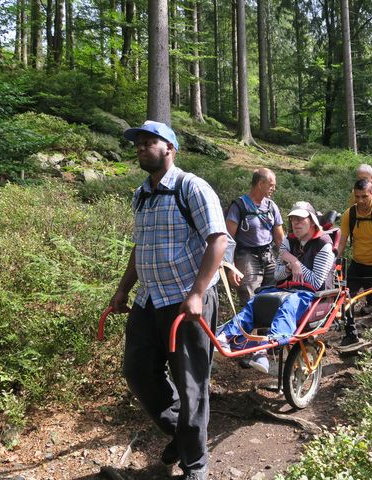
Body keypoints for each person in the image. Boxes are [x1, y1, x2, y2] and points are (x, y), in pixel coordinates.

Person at [109, 120, 227, 480]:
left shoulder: (192, 187)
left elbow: (218, 240)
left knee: (191, 385)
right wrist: (123, 289)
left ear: (169, 149)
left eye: (149, 142)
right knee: (137, 371)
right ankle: (181, 433)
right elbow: (139, 247)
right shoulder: (141, 194)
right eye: (138, 143)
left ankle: (195, 464)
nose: (141, 147)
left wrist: (196, 293)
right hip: (148, 300)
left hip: (186, 304)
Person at [217, 201, 335, 373]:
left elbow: (315, 282)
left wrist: (295, 262)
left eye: (301, 219)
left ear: (312, 221)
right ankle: (225, 336)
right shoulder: (289, 241)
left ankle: (263, 348)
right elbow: (278, 275)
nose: (296, 224)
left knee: (289, 303)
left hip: (311, 295)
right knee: (256, 302)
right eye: (293, 220)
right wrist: (289, 265)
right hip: (285, 289)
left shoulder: (323, 245)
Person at [338, 178, 372, 351]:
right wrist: (335, 262)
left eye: (364, 197)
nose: (360, 201)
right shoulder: (350, 214)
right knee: (345, 299)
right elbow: (342, 242)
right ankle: (351, 335)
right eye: (357, 197)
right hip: (357, 264)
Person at [225, 168, 285, 306]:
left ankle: (267, 328)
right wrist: (231, 268)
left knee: (273, 296)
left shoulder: (271, 206)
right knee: (249, 299)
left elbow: (279, 237)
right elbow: (228, 239)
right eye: (271, 185)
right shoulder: (239, 206)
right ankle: (250, 328)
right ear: (260, 184)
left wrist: (288, 260)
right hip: (246, 256)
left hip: (268, 255)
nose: (274, 189)